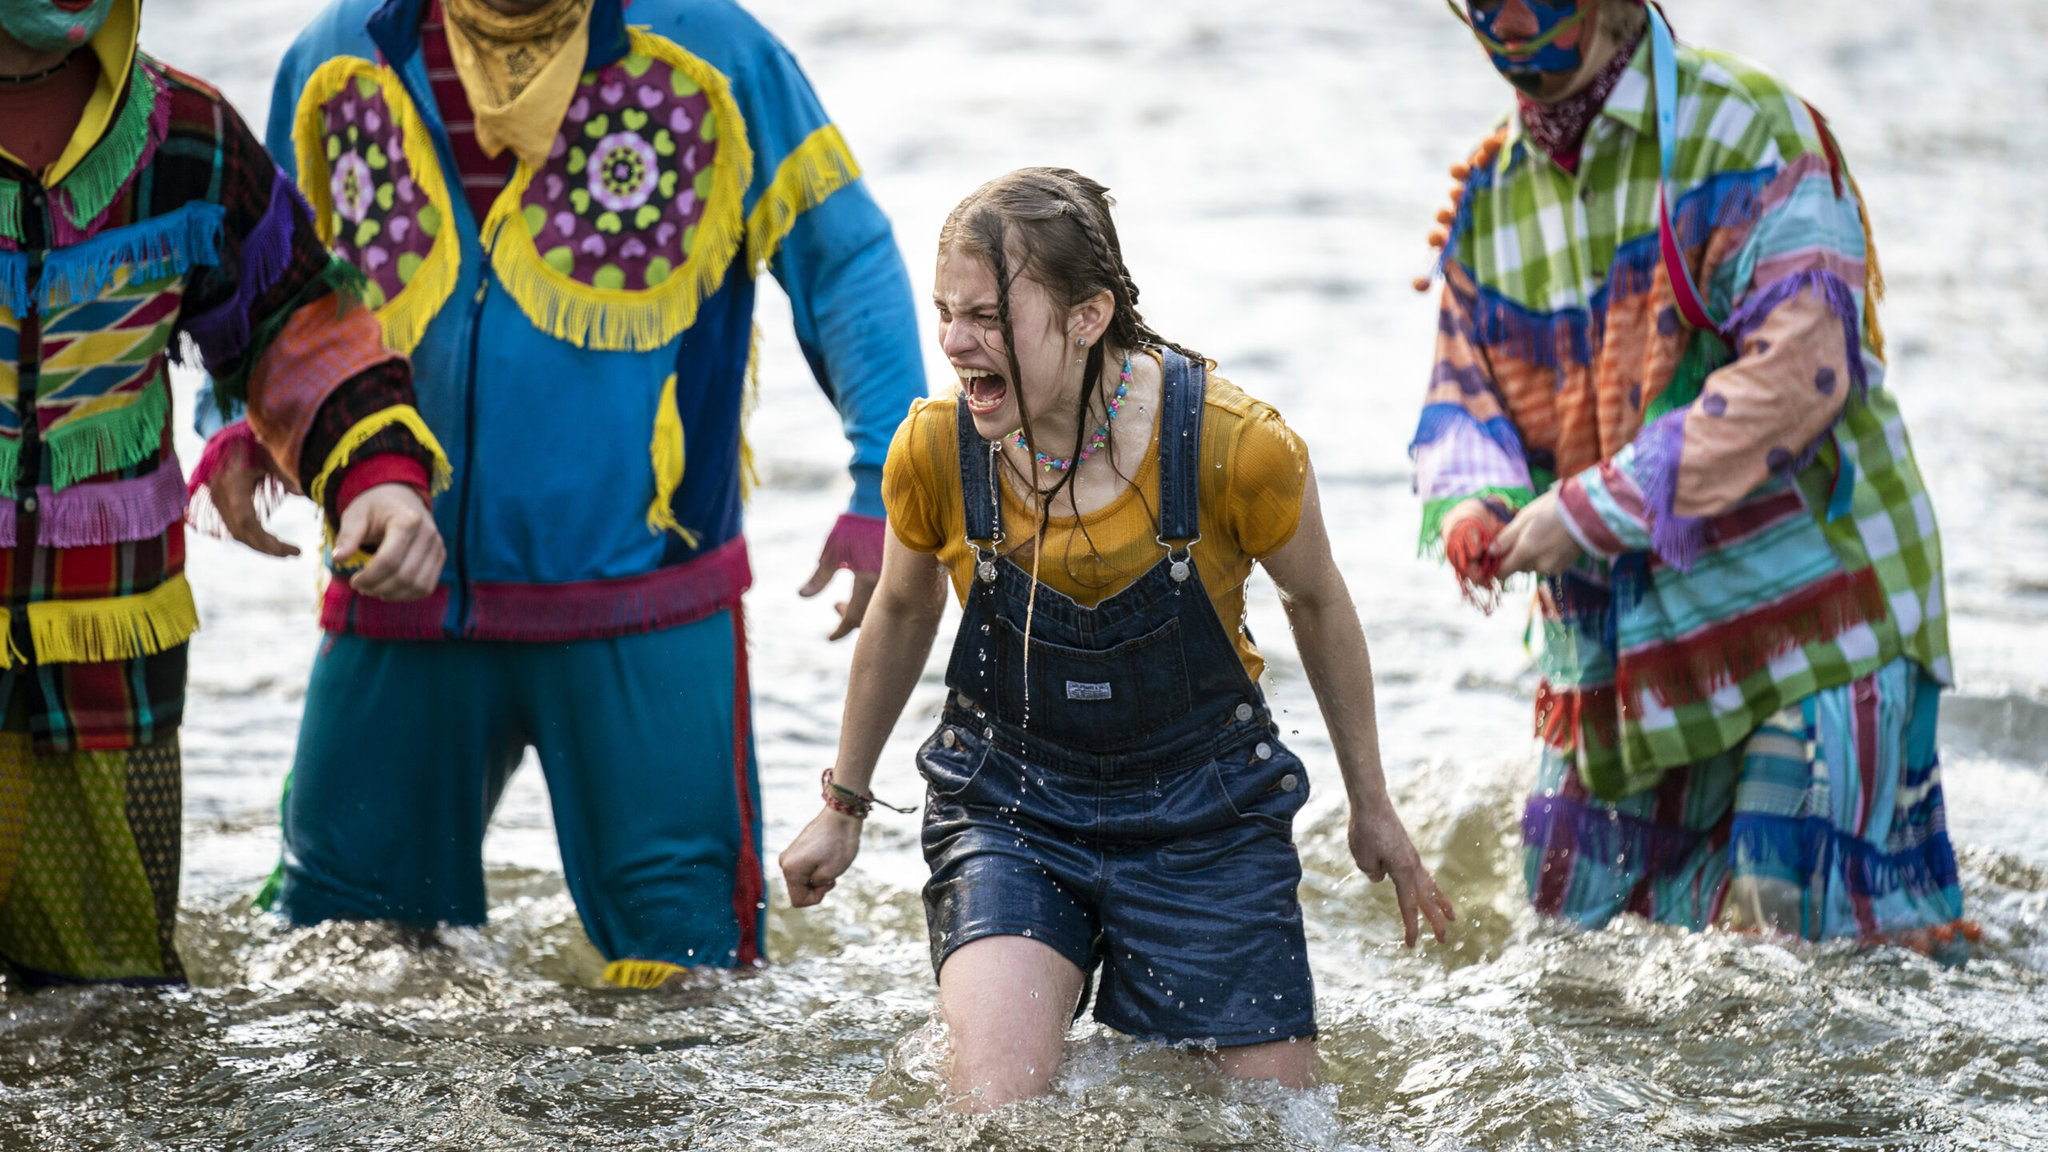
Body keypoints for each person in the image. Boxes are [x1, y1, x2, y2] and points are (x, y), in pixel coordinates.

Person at [200, 0, 925, 985]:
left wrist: (883, 481)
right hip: (396, 597)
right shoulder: (333, 61)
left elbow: (843, 259)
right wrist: (246, 424)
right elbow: (266, 285)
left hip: (644, 608)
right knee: (338, 962)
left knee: (686, 976)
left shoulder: (715, 51)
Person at [778, 168, 1455, 1108]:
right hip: (1010, 806)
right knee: (993, 1108)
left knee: (1274, 1122)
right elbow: (899, 611)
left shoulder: (1236, 446)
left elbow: (1321, 603)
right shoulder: (935, 449)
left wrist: (1371, 803)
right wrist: (843, 806)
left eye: (985, 317)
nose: (954, 343)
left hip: (1207, 817)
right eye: (946, 313)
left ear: (1089, 315)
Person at [1414, 0, 1967, 953]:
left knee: (1801, 957)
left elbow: (1802, 375)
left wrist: (1587, 511)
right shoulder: (1487, 197)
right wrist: (1475, 503)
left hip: (1813, 617)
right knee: (1571, 956)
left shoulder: (1746, 129)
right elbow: (1464, 400)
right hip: (1621, 661)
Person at [0, 0, 443, 986]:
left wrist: (376, 480)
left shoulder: (186, 139)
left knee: (107, 1018)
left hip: (107, 668)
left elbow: (295, 320)